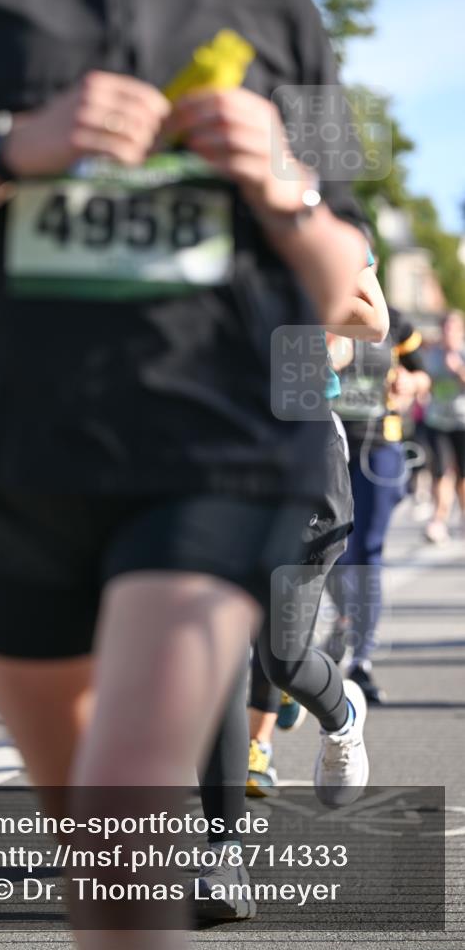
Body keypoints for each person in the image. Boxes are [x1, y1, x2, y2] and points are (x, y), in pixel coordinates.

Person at [0, 0, 370, 944]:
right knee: (105, 867)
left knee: (129, 783)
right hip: (2, 463)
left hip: (215, 450)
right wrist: (7, 150)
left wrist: (282, 188)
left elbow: (342, 286)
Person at [196, 255, 388, 920]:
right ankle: (221, 853)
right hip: (190, 452)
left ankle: (342, 712)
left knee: (279, 658)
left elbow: (369, 318)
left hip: (295, 454)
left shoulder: (305, 203)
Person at [326, 307, 431, 703]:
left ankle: (362, 660)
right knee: (328, 549)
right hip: (325, 440)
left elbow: (422, 374)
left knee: (368, 550)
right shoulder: (316, 303)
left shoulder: (396, 321)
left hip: (378, 445)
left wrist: (409, 381)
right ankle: (344, 617)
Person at [423, 310, 465, 543]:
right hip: (437, 421)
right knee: (440, 471)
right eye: (445, 329)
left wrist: (458, 369)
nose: (448, 333)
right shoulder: (434, 354)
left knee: (462, 475)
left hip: (462, 421)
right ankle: (438, 521)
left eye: (452, 329)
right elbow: (427, 380)